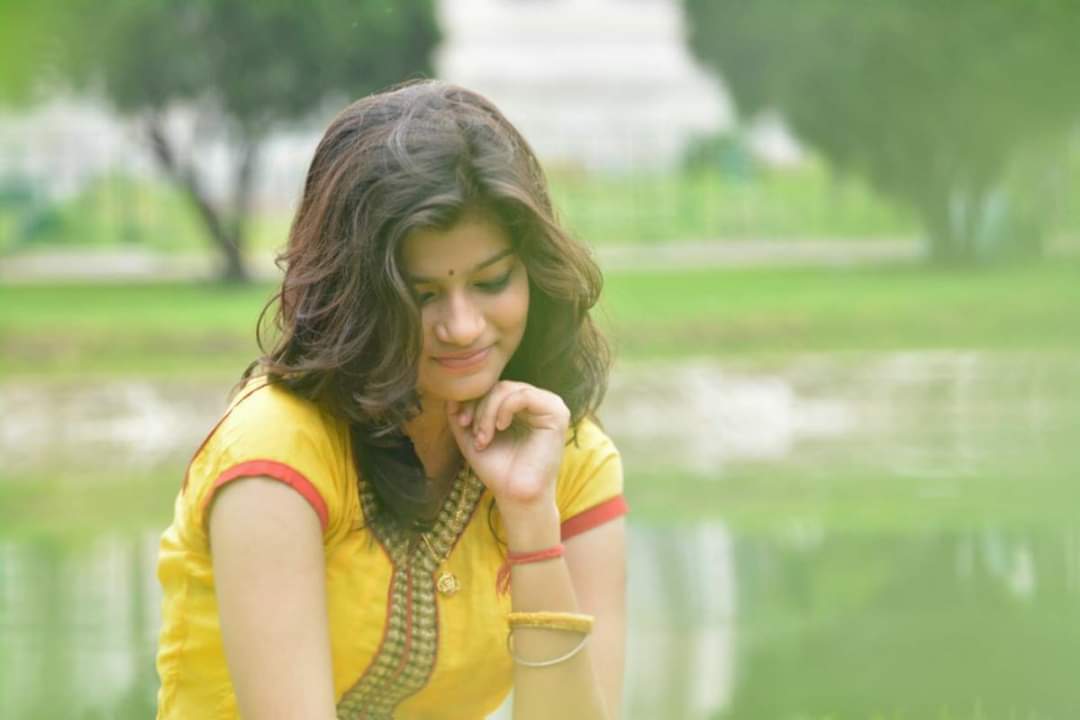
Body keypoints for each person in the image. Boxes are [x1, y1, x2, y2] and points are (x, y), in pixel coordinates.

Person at [154, 80, 628, 720]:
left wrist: (530, 516)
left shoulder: (567, 456)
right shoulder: (278, 455)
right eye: (421, 294)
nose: (462, 327)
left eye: (491, 282)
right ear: (356, 296)